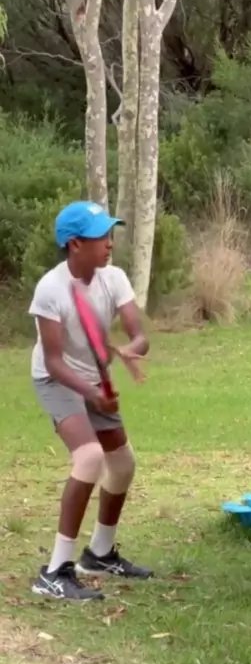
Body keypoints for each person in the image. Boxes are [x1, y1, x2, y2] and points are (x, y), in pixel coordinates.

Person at [29, 200, 152, 601]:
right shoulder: (50, 289)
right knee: (89, 457)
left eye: (110, 234)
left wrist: (131, 349)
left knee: (123, 464)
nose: (110, 243)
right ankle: (54, 571)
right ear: (75, 244)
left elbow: (139, 334)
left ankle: (99, 554)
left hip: (94, 379)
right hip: (57, 378)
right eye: (101, 236)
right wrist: (92, 395)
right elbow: (53, 361)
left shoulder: (113, 278)